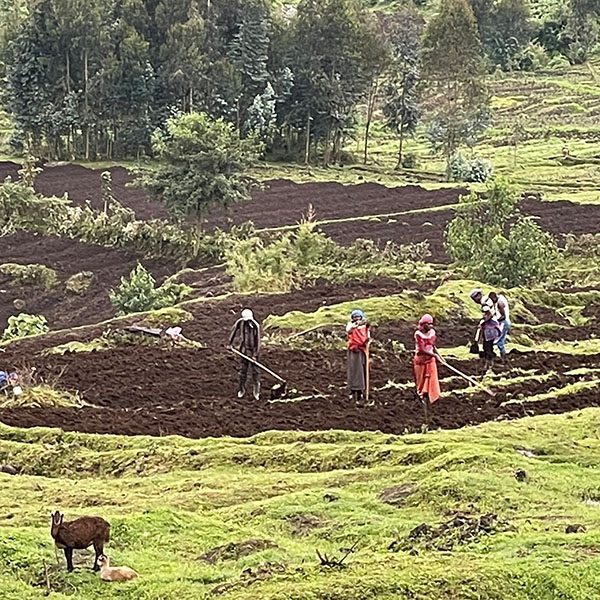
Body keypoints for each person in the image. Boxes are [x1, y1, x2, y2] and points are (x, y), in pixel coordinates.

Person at [228, 308, 261, 400]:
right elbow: (233, 332)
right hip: (243, 351)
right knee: (243, 372)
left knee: (256, 372)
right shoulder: (240, 323)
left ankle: (256, 392)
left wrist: (255, 355)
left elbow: (258, 342)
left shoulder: (255, 326)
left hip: (253, 351)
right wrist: (230, 343)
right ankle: (241, 390)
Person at [413, 314, 441, 405]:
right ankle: (421, 395)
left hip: (430, 359)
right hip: (421, 359)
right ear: (424, 324)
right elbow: (421, 349)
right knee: (421, 380)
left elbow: (432, 345)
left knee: (432, 378)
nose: (431, 326)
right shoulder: (418, 334)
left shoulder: (432, 332)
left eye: (432, 324)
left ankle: (432, 396)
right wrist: (433, 355)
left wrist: (438, 355)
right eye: (429, 324)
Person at [346, 309, 370, 402]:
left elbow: (367, 337)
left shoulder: (365, 327)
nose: (357, 319)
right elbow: (348, 330)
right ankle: (352, 391)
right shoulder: (351, 325)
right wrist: (356, 325)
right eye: (355, 317)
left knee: (362, 371)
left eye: (359, 317)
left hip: (362, 351)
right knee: (353, 370)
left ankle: (361, 392)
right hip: (353, 351)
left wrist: (367, 342)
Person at [475, 305, 502, 372]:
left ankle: (490, 365)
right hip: (486, 336)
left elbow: (495, 327)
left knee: (488, 349)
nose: (484, 313)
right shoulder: (485, 319)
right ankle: (488, 364)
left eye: (486, 312)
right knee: (485, 348)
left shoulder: (492, 319)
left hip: (490, 336)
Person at [488, 291, 511, 358]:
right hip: (505, 322)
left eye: (492, 300)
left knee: (499, 340)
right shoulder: (501, 298)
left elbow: (503, 316)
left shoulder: (500, 303)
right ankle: (502, 355)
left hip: (504, 323)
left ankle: (503, 355)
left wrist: (495, 321)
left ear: (494, 297)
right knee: (501, 340)